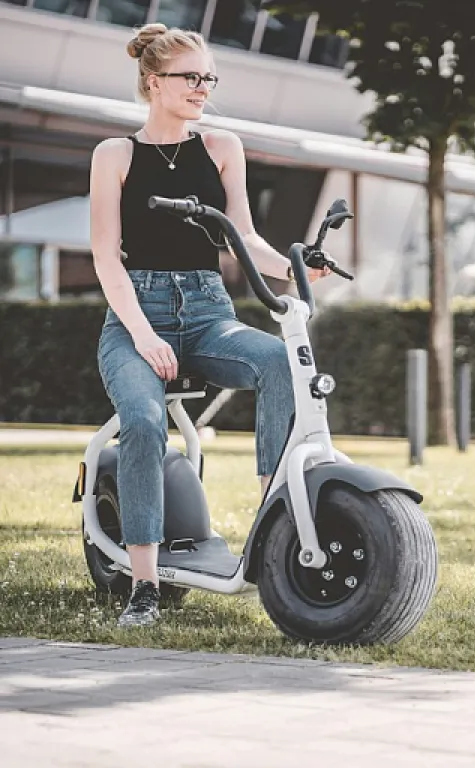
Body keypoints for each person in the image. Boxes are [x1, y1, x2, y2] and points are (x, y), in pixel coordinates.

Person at [89, 23, 328, 628]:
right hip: (134, 316)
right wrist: (142, 334)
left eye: (208, 78)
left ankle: (272, 518)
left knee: (278, 361)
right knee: (143, 425)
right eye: (190, 77)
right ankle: (144, 585)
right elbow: (103, 256)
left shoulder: (222, 146)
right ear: (153, 82)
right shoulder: (114, 155)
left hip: (207, 313)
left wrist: (297, 263)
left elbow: (243, 238)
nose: (203, 88)